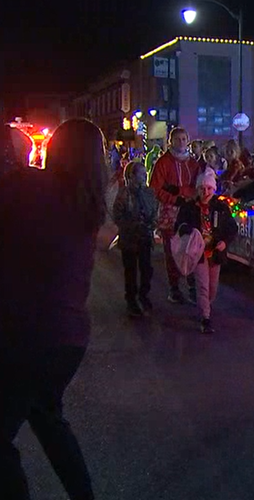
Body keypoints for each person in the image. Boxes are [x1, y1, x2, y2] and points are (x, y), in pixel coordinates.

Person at [0, 118, 108, 500]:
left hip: (26, 335)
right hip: (68, 339)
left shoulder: (31, 187)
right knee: (47, 418)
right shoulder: (87, 200)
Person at [174, 169, 238, 334]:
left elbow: (231, 227)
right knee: (203, 285)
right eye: (202, 189)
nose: (205, 192)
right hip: (199, 254)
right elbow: (179, 227)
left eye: (209, 188)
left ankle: (206, 307)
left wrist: (224, 242)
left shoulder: (221, 207)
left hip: (215, 254)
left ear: (213, 188)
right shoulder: (189, 207)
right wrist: (191, 232)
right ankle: (205, 317)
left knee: (212, 287)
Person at [150, 127, 201, 305]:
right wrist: (174, 198)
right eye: (177, 139)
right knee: (172, 250)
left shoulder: (194, 164)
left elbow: (199, 185)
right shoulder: (163, 163)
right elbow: (156, 188)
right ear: (171, 141)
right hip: (169, 212)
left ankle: (193, 286)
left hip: (189, 210)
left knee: (191, 247)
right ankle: (174, 287)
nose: (181, 142)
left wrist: (186, 194)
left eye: (183, 139)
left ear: (188, 140)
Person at [112, 161, 158, 317]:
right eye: (141, 174)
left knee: (146, 269)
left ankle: (143, 295)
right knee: (130, 270)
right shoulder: (124, 194)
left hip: (145, 236)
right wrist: (132, 225)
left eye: (145, 173)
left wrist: (151, 224)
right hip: (130, 238)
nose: (144, 176)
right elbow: (118, 215)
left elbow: (154, 210)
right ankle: (131, 299)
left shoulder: (148, 193)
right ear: (132, 176)